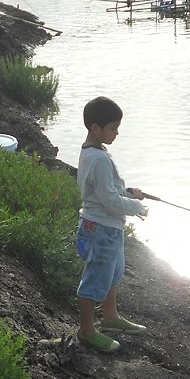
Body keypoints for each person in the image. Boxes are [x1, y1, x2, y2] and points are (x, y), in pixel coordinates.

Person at [74, 96, 148, 354]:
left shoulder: (93, 152)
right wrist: (137, 207)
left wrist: (129, 193)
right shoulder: (99, 159)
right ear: (96, 128)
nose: (117, 133)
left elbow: (106, 190)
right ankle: (86, 330)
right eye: (113, 128)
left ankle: (111, 317)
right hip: (100, 229)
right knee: (96, 278)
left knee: (113, 273)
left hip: (108, 229)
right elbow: (108, 201)